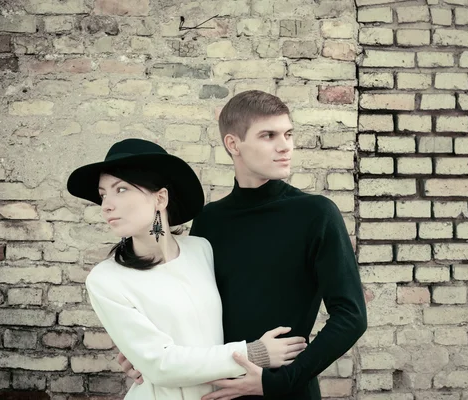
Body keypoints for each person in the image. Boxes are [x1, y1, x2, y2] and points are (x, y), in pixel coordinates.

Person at [119, 90, 368, 400]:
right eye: (268, 135)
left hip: (285, 391)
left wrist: (280, 381)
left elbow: (351, 317)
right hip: (216, 389)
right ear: (233, 144)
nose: (285, 146)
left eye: (288, 134)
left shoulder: (316, 214)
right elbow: (191, 306)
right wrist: (148, 354)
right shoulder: (210, 220)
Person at [66, 138, 307, 400]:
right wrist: (254, 353)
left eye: (121, 189)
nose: (107, 205)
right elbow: (161, 364)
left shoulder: (200, 249)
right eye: (103, 195)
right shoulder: (106, 279)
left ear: (160, 198)